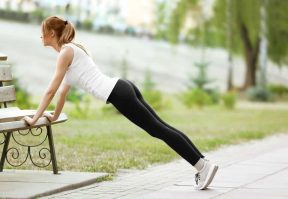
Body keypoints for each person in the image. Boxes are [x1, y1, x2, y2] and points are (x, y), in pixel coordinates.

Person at [23, 16, 218, 190]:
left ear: (50, 33)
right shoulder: (71, 51)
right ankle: (203, 163)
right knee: (162, 127)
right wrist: (53, 115)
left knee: (158, 129)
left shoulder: (66, 52)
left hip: (118, 93)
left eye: (42, 32)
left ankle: (202, 166)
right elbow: (62, 93)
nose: (40, 36)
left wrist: (34, 119)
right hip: (121, 87)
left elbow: (50, 90)